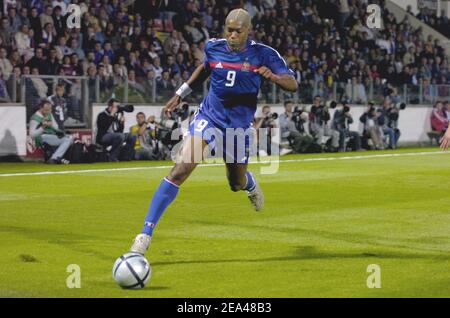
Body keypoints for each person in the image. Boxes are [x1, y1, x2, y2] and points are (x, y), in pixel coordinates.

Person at [130, 8, 298, 255]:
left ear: (248, 31)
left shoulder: (264, 54)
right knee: (180, 170)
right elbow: (205, 69)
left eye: (237, 31)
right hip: (210, 117)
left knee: (235, 182)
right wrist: (180, 94)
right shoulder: (214, 47)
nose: (231, 35)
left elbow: (292, 84)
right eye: (228, 30)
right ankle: (144, 235)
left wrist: (273, 76)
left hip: (238, 127)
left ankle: (249, 183)